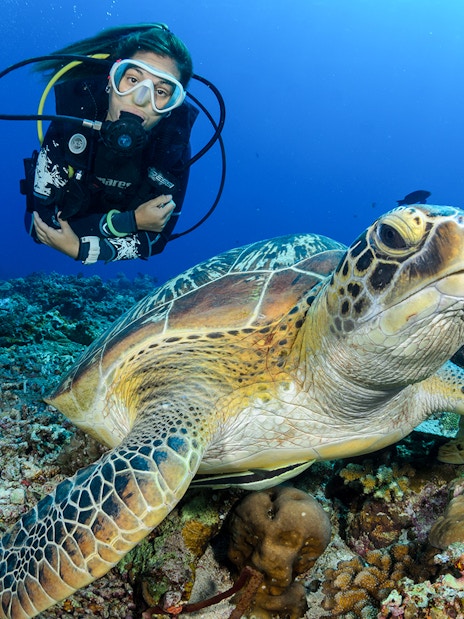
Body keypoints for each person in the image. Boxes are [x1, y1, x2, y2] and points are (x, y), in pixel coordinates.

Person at [25, 24, 198, 264]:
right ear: (111, 80)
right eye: (132, 79)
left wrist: (82, 249)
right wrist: (129, 222)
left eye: (160, 92)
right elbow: (39, 225)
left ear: (170, 108)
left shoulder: (171, 148)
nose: (140, 99)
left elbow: (156, 241)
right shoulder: (74, 121)